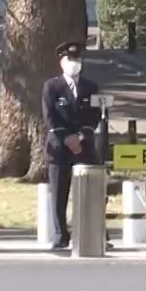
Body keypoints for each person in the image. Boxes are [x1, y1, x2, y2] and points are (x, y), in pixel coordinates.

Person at [43, 40, 104, 250]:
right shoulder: (52, 86)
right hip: (59, 147)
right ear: (61, 62)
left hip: (84, 145)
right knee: (59, 193)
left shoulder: (90, 87)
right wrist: (67, 138)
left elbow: (94, 116)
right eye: (70, 59)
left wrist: (80, 136)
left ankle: (95, 232)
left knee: (92, 191)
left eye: (77, 59)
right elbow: (50, 117)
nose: (74, 63)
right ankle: (61, 235)